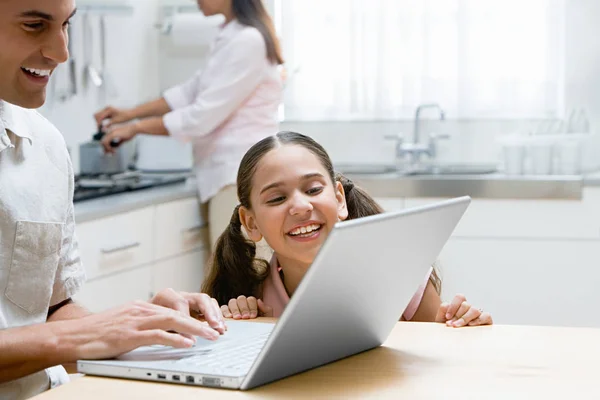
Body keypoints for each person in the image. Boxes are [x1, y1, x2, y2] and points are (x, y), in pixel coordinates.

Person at [0, 1, 225, 398]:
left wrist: (143, 326)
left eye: (66, 25)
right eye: (35, 25)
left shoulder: (46, 146)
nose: (62, 52)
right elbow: (60, 336)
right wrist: (79, 337)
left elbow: (50, 310)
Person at [202, 131, 494, 328]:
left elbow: (439, 359)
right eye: (278, 198)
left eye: (313, 189)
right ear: (251, 222)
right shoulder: (253, 302)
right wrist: (238, 330)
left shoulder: (400, 276)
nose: (300, 206)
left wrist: (461, 325)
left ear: (339, 199)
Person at [94, 0, 284, 254]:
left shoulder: (247, 41)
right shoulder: (232, 36)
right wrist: (127, 115)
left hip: (237, 176)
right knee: (233, 277)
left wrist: (135, 128)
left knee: (240, 278)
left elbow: (200, 117)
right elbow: (187, 93)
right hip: (225, 177)